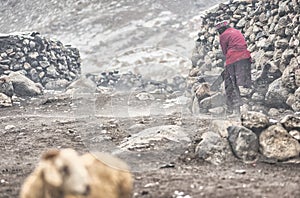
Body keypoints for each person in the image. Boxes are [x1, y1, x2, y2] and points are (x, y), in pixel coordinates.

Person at [215, 21, 252, 116]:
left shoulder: (223, 35)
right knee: (244, 82)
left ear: (220, 30)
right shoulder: (236, 31)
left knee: (230, 83)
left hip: (233, 59)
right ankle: (249, 105)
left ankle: (234, 109)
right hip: (245, 57)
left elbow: (224, 51)